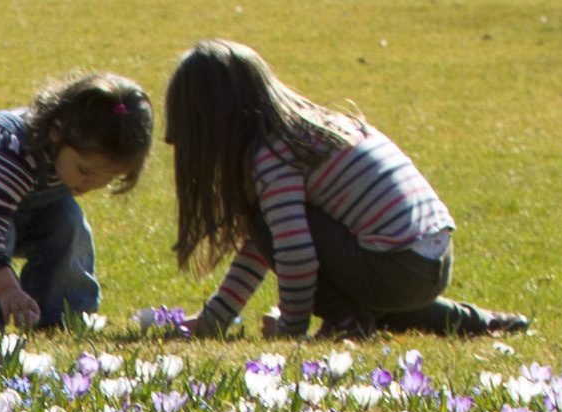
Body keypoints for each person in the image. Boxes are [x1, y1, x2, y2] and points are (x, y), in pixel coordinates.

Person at [164, 41, 525, 341]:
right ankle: (477, 321)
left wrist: (291, 329)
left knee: (267, 225)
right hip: (432, 260)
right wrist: (214, 320)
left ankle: (346, 321)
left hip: (398, 266)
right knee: (361, 290)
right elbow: (259, 249)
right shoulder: (309, 130)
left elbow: (294, 255)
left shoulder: (272, 156)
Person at [0, 73, 153, 338]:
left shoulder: (67, 157)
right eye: (84, 170)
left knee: (67, 222)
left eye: (107, 177)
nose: (89, 184)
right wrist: (7, 289)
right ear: (56, 132)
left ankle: (62, 317)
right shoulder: (13, 156)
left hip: (23, 192)